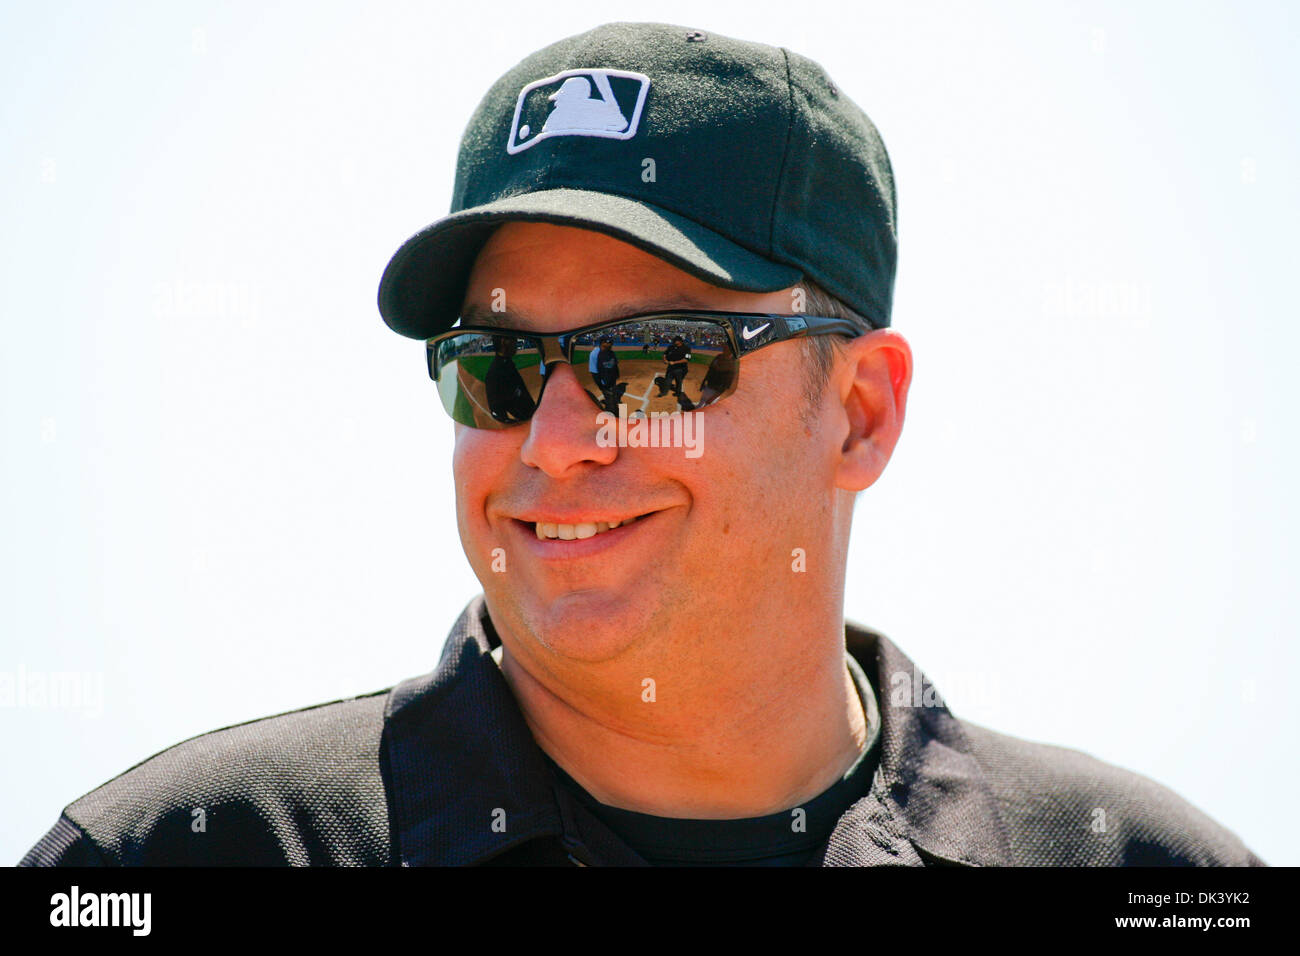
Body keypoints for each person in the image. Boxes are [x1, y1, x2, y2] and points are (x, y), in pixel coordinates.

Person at [19, 22, 1263, 868]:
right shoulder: (182, 856)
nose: (554, 441)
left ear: (862, 411)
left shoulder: (1151, 871)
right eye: (497, 371)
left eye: (654, 360)